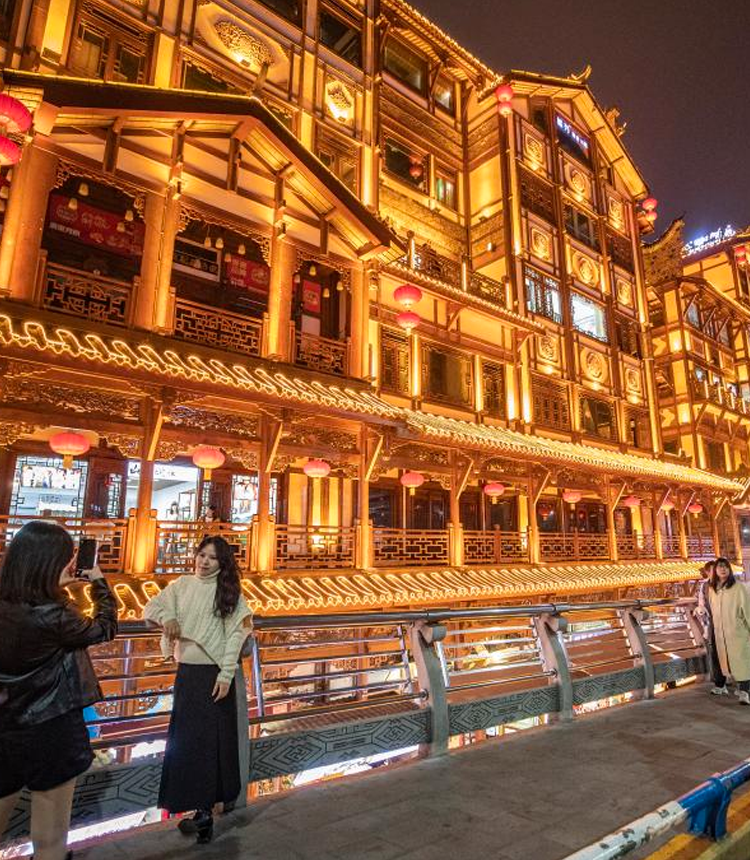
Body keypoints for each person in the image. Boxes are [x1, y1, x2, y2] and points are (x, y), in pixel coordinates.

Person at [0, 521, 118, 860]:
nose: (71, 565)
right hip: (51, 727)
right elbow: (106, 627)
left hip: (6, 725)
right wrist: (97, 581)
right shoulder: (55, 614)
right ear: (50, 563)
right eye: (67, 558)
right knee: (50, 836)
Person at [142, 536, 252, 844]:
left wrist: (227, 675)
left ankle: (205, 812)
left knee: (209, 746)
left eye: (212, 558)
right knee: (186, 745)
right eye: (201, 555)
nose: (204, 562)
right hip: (187, 674)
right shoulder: (181, 586)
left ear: (222, 563)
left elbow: (236, 636)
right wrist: (169, 617)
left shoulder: (228, 592)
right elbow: (150, 607)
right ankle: (198, 811)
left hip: (213, 676)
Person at [708, 557, 750, 705]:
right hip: (721, 633)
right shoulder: (713, 589)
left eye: (725, 566)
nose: (723, 569)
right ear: (715, 571)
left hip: (736, 630)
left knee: (742, 661)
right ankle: (727, 686)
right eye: (720, 567)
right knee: (725, 661)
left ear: (729, 570)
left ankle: (745, 692)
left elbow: (747, 610)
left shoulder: (738, 587)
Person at [694, 561, 727, 695]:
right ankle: (720, 684)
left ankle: (742, 685)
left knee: (733, 654)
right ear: (708, 572)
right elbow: (701, 603)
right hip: (713, 624)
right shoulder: (704, 586)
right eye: (714, 570)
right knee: (715, 655)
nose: (717, 572)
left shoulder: (726, 583)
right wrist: (700, 610)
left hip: (728, 623)